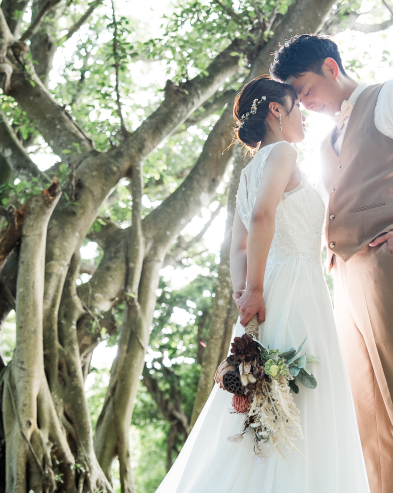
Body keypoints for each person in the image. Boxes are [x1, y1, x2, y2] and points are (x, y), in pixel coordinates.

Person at [270, 34, 393, 493]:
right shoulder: (326, 142)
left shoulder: (390, 95)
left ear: (331, 67)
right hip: (343, 278)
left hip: (388, 265)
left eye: (305, 89)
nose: (304, 102)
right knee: (368, 419)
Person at [155, 76, 370, 493]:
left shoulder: (248, 173)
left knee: (268, 399)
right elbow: (260, 217)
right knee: (299, 397)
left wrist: (245, 291)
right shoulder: (285, 152)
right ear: (276, 110)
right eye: (296, 106)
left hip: (269, 287)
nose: (303, 115)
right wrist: (252, 289)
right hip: (293, 288)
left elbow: (237, 244)